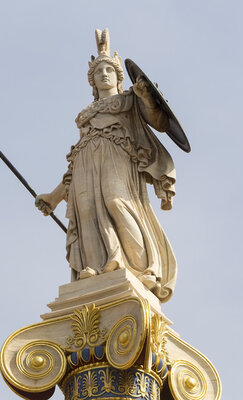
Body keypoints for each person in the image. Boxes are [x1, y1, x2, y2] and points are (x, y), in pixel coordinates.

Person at [35, 29, 178, 302]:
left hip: (116, 156)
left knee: (116, 202)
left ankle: (142, 268)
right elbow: (73, 163)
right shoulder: (86, 116)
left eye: (108, 71)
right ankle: (97, 266)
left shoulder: (128, 101)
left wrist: (146, 96)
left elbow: (158, 122)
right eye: (98, 71)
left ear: (118, 76)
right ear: (92, 81)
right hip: (87, 162)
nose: (103, 74)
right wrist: (53, 198)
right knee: (86, 209)